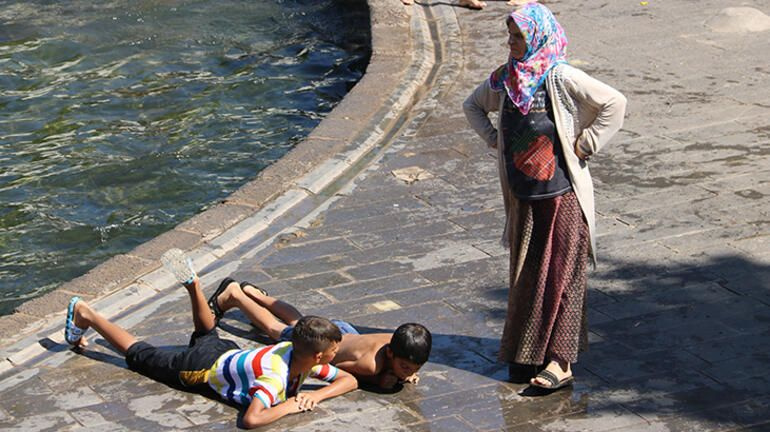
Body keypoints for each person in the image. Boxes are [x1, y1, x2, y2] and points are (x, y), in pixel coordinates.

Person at [462, 3, 626, 390]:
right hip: (523, 197)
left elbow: (614, 104)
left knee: (563, 276)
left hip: (562, 195)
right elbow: (472, 106)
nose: (511, 42)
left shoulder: (561, 76)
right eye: (511, 36)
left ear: (537, 36)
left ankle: (560, 361)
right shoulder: (505, 79)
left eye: (518, 36)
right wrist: (495, 140)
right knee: (527, 274)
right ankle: (526, 352)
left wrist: (585, 144)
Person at [63, 277, 357, 429]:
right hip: (198, 368)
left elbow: (349, 380)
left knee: (207, 334)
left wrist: (316, 395)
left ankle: (195, 289)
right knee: (140, 355)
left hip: (227, 353)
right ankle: (86, 314)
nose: (336, 353)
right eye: (334, 351)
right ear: (318, 357)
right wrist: (291, 405)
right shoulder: (275, 377)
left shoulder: (297, 355)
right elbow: (252, 420)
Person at [208, 278, 432, 390]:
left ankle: (253, 292)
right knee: (277, 330)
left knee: (299, 321)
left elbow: (400, 360)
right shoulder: (370, 365)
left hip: (344, 332)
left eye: (414, 369)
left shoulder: (399, 339)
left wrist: (403, 373)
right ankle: (236, 295)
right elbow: (335, 369)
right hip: (327, 347)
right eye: (405, 367)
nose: (409, 373)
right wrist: (377, 380)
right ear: (391, 354)